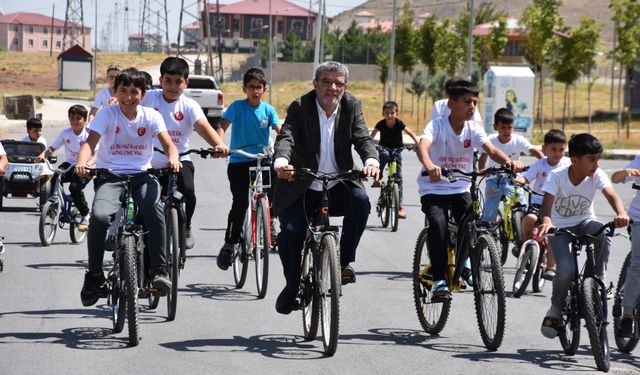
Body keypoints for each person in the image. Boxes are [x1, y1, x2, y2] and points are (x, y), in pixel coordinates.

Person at [272, 61, 380, 315]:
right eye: (327, 82)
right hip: (302, 184)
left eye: (338, 83)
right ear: (316, 84)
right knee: (289, 234)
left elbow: (363, 137)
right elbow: (286, 136)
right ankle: (292, 286)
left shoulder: (351, 105)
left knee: (361, 202)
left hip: (337, 181)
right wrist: (282, 162)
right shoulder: (301, 106)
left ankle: (343, 262)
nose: (332, 87)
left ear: (345, 87)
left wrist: (371, 161)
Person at [75, 68, 181, 307]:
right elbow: (90, 144)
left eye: (134, 92)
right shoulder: (107, 114)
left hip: (143, 176)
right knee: (100, 217)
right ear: (116, 91)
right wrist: (81, 162)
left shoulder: (151, 116)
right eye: (123, 91)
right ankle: (93, 275)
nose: (128, 97)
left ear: (143, 94)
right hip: (110, 176)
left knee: (155, 212)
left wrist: (173, 158)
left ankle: (159, 271)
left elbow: (168, 144)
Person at [417, 79, 523, 301]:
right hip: (434, 188)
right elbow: (423, 146)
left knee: (471, 222)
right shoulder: (437, 125)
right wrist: (430, 166)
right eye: (466, 102)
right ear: (452, 103)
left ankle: (464, 263)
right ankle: (439, 280)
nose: (472, 107)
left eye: (475, 102)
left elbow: (491, 150)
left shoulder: (473, 128)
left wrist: (508, 163)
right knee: (438, 224)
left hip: (460, 187)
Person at [538, 133, 628, 339]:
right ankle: (555, 310)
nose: (596, 164)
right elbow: (546, 208)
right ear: (575, 160)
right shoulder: (557, 176)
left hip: (585, 222)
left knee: (602, 232)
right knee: (566, 269)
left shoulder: (596, 175)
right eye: (591, 160)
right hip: (560, 229)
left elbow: (612, 196)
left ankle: (597, 281)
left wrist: (621, 213)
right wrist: (547, 221)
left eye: (598, 159)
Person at [142, 57, 228, 249]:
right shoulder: (149, 98)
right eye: (168, 81)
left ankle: (186, 225)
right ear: (160, 80)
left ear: (186, 83)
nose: (173, 86)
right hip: (150, 161)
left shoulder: (189, 105)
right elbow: (129, 104)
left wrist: (219, 145)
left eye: (178, 82)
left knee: (188, 192)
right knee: (144, 200)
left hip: (181, 158)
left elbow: (203, 126)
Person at [216, 67, 281, 270]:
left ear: (264, 89)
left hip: (261, 161)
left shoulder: (268, 110)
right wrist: (219, 143)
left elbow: (281, 130)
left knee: (270, 193)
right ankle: (230, 243)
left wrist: (289, 146)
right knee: (240, 203)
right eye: (251, 87)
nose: (255, 91)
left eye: (259, 87)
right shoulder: (237, 107)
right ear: (245, 88)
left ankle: (270, 222)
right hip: (239, 161)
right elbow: (222, 126)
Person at [514, 129, 570, 279]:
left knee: (552, 234)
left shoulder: (567, 165)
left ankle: (551, 266)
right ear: (544, 149)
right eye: (553, 149)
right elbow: (527, 177)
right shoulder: (540, 164)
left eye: (561, 150)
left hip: (557, 206)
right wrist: (521, 180)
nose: (557, 153)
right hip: (538, 202)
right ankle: (525, 245)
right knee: (529, 220)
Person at [478, 108, 543, 224]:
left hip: (513, 178)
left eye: (510, 127)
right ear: (495, 127)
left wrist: (545, 162)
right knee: (489, 213)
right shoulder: (490, 140)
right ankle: (486, 232)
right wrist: (482, 169)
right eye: (503, 127)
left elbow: (534, 150)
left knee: (521, 205)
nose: (507, 131)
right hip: (494, 179)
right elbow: (483, 155)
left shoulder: (518, 140)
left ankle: (521, 226)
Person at [36, 105, 95, 231]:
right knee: (54, 177)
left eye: (78, 118)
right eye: (72, 118)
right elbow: (52, 148)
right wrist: (42, 155)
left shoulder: (89, 134)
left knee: (74, 187)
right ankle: (52, 206)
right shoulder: (65, 133)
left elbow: (96, 154)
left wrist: (88, 165)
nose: (74, 121)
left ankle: (85, 214)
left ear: (85, 120)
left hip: (85, 166)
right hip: (70, 164)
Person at [370, 100, 419, 219]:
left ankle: (400, 206)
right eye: (387, 113)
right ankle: (378, 177)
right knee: (384, 155)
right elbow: (372, 135)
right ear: (383, 114)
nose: (390, 115)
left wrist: (417, 142)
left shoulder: (399, 123)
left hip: (397, 149)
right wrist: (369, 144)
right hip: (384, 147)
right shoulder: (381, 124)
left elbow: (410, 132)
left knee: (399, 177)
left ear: (397, 113)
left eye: (392, 113)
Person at [611, 154, 640, 337]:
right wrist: (626, 172)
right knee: (638, 265)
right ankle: (627, 315)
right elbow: (615, 178)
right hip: (639, 219)